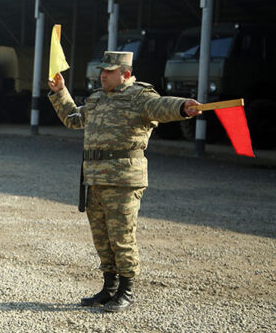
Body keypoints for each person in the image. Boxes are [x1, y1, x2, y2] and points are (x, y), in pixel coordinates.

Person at [47, 51, 201, 312]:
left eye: (108, 72)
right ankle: (108, 288)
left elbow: (162, 106)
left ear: (125, 74)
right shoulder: (97, 99)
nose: (102, 75)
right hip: (95, 179)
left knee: (122, 237)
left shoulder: (140, 97)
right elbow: (73, 119)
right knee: (102, 238)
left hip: (123, 180)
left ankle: (126, 291)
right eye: (102, 71)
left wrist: (182, 107)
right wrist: (60, 91)